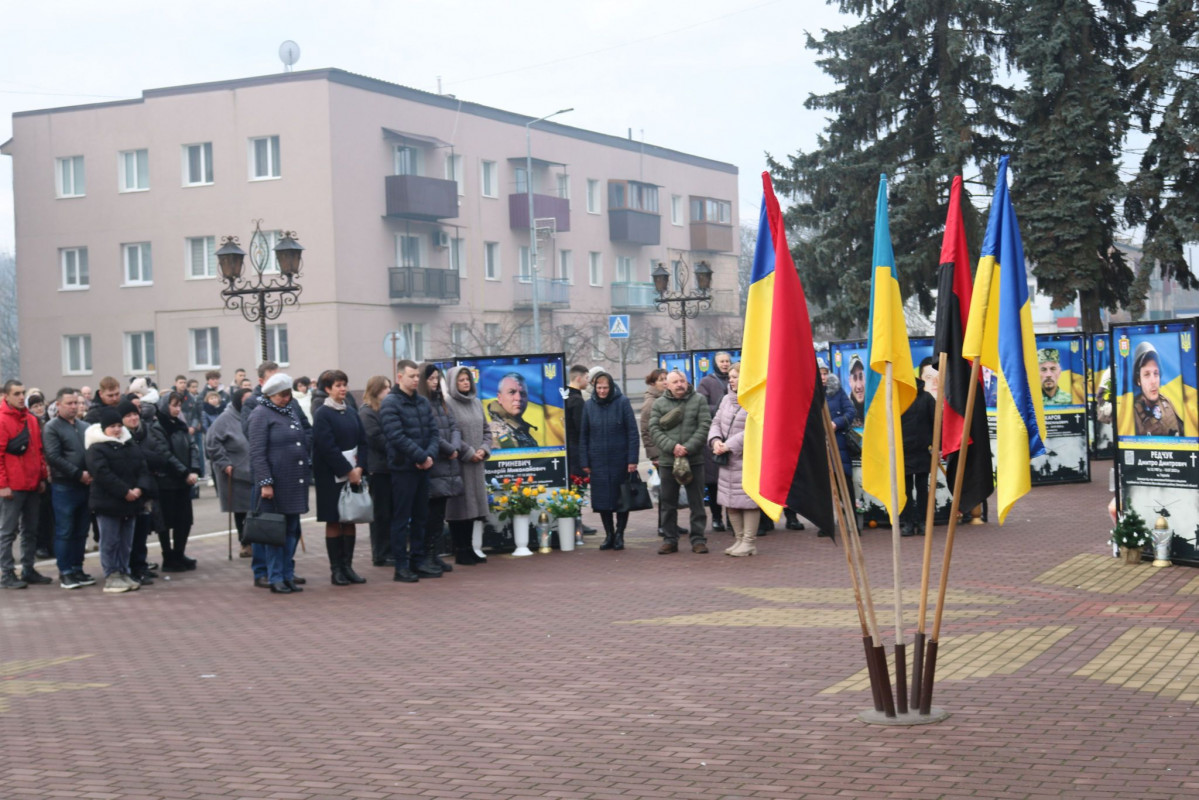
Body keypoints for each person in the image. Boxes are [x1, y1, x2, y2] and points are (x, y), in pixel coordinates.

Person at [248, 373, 310, 593]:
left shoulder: (290, 410)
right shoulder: (260, 414)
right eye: (282, 395)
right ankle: (275, 577)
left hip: (294, 481)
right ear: (271, 394)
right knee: (276, 532)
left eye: (288, 395)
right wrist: (265, 482)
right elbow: (257, 452)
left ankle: (287, 574)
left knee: (292, 531)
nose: (286, 399)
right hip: (275, 485)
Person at [379, 360, 440, 583]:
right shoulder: (391, 403)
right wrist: (421, 457)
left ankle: (418, 560)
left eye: (417, 376)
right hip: (403, 469)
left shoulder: (423, 403)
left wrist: (429, 456)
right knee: (401, 519)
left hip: (423, 468)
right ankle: (401, 566)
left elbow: (434, 432)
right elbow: (396, 436)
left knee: (421, 517)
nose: (416, 380)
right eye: (411, 376)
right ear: (399, 377)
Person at [84, 406, 153, 594]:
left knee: (126, 541)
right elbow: (102, 474)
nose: (116, 429)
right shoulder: (96, 448)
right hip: (108, 502)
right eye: (112, 426)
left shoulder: (129, 444)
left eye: (118, 425)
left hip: (131, 502)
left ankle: (124, 571)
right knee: (110, 540)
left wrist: (140, 488)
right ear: (104, 428)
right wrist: (124, 491)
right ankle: (111, 574)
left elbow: (142, 468)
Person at [312, 370, 369, 586]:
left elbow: (363, 441)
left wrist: (360, 467)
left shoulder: (352, 412)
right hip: (331, 476)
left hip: (354, 474)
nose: (343, 388)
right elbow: (327, 447)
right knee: (335, 519)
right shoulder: (323, 413)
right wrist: (347, 470)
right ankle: (336, 569)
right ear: (327, 389)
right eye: (338, 385)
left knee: (350, 518)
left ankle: (348, 567)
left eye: (344, 384)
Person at [649, 370, 712, 555]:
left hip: (695, 459)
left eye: (682, 381)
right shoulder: (659, 403)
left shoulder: (699, 400)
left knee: (697, 503)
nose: (679, 384)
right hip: (668, 461)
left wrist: (688, 447)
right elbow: (653, 429)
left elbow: (705, 425)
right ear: (667, 385)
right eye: (675, 382)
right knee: (668, 503)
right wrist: (672, 447)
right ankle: (670, 539)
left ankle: (698, 539)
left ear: (687, 382)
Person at [580, 371, 639, 551]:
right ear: (594, 388)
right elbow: (584, 436)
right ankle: (609, 535)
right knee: (603, 502)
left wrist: (632, 460)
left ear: (611, 387)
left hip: (619, 460)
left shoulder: (622, 403)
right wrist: (585, 462)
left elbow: (632, 433)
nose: (603, 391)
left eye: (605, 387)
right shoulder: (589, 405)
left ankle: (620, 534)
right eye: (599, 388)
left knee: (622, 500)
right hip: (597, 461)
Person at [43, 388, 96, 589]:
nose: (74, 407)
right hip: (65, 486)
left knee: (81, 531)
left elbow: (92, 451)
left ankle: (77, 568)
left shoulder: (85, 426)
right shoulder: (52, 427)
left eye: (76, 403)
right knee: (65, 530)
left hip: (86, 485)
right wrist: (78, 474)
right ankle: (65, 571)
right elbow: (53, 457)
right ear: (58, 405)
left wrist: (91, 472)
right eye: (69, 403)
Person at [0, 380, 50, 589]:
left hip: (31, 483)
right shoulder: (2, 420)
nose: (21, 397)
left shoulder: (30, 419)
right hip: (13, 485)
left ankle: (28, 568)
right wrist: (3, 484)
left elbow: (39, 452)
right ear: (6, 396)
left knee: (30, 529)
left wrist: (41, 477)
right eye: (17, 393)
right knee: (8, 531)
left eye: (22, 393)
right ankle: (7, 572)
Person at [707, 365, 761, 555]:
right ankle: (739, 540)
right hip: (726, 460)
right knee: (730, 502)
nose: (731, 380)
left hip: (745, 460)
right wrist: (715, 441)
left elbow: (756, 429)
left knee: (748, 502)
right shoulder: (726, 400)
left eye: (735, 377)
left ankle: (749, 542)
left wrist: (729, 445)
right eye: (729, 377)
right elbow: (716, 422)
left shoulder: (756, 401)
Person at [444, 366, 493, 565]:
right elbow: (449, 433)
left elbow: (487, 431)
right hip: (459, 464)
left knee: (474, 508)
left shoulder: (476, 402)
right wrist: (469, 453)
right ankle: (460, 549)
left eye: (467, 379)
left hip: (477, 464)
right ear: (453, 382)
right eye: (461, 380)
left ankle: (470, 548)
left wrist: (483, 449)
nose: (465, 383)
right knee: (459, 509)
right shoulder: (447, 404)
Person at [417, 363, 463, 574]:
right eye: (431, 379)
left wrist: (454, 447)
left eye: (437, 378)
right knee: (430, 514)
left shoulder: (441, 402)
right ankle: (426, 555)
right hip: (435, 463)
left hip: (448, 463)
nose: (435, 382)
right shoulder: (423, 403)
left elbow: (453, 426)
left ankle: (434, 555)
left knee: (439, 514)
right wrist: (447, 449)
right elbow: (430, 431)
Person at [148, 391, 201, 571]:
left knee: (184, 520)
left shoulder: (180, 425)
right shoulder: (158, 427)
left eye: (179, 406)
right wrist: (184, 472)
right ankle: (168, 556)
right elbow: (165, 454)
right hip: (167, 481)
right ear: (165, 406)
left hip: (183, 481)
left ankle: (179, 553)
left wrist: (193, 470)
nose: (178, 409)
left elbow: (192, 447)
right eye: (174, 405)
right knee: (166, 521)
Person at [206, 388, 254, 559]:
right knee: (241, 510)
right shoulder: (225, 419)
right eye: (246, 400)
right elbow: (211, 442)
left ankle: (256, 540)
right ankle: (245, 542)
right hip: (235, 473)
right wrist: (224, 462)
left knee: (255, 508)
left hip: (255, 470)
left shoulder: (254, 415)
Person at [119, 398, 157, 585]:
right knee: (130, 535)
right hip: (129, 490)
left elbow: (157, 455)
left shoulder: (145, 432)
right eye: (128, 415)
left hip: (145, 489)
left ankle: (141, 566)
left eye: (135, 414)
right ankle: (131, 568)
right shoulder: (122, 437)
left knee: (143, 531)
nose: (133, 418)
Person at [899, 357, 937, 537]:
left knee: (922, 489)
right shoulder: (898, 399)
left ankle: (922, 522)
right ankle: (907, 522)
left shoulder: (927, 398)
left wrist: (937, 445)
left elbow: (937, 423)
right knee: (905, 490)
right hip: (904, 453)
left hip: (923, 451)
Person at [359, 376, 395, 567]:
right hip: (377, 468)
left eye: (390, 387)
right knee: (381, 513)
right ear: (375, 390)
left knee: (392, 511)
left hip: (390, 467)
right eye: (385, 388)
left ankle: (390, 550)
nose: (389, 391)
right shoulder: (367, 412)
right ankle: (381, 552)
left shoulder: (386, 410)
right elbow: (375, 438)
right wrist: (398, 445)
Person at [697, 352, 732, 532]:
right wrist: (720, 406)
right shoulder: (706, 382)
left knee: (732, 481)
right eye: (722, 361)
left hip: (732, 437)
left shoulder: (735, 378)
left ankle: (731, 517)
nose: (725, 364)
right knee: (714, 483)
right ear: (715, 363)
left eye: (727, 361)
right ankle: (717, 518)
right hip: (714, 437)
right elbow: (700, 405)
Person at [563, 364, 596, 535]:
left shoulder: (565, 396)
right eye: (586, 378)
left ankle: (575, 521)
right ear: (579, 378)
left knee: (572, 488)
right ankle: (577, 523)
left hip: (568, 449)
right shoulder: (577, 400)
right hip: (576, 451)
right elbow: (582, 429)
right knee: (578, 487)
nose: (588, 381)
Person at [639, 368, 671, 536]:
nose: (665, 382)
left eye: (666, 379)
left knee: (671, 490)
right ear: (653, 383)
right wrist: (654, 455)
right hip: (661, 454)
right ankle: (663, 525)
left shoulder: (666, 398)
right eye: (661, 379)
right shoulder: (651, 402)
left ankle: (670, 523)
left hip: (669, 451)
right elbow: (645, 430)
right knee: (665, 492)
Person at [821, 361, 856, 509]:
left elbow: (850, 411)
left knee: (845, 484)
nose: (823, 377)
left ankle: (852, 521)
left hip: (839, 444)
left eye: (825, 373)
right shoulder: (808, 393)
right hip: (819, 445)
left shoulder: (837, 391)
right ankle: (826, 526)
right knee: (823, 488)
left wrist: (836, 423)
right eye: (819, 374)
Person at [1131, 341, 1181, 436]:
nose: (1153, 381)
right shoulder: (1132, 413)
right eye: (1146, 374)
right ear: (1138, 380)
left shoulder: (1167, 403)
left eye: (1156, 373)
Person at [487, 372, 538, 448]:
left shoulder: (522, 431)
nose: (518, 398)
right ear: (499, 398)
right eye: (512, 392)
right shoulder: (494, 432)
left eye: (522, 393)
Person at [848, 355, 867, 424]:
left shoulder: (874, 405)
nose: (859, 386)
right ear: (850, 381)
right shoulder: (844, 409)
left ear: (865, 379)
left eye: (861, 377)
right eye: (855, 378)